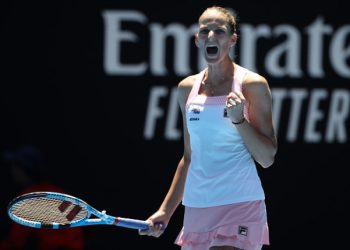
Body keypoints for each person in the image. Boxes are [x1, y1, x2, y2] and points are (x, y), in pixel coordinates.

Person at [139, 6, 277, 250]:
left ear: (232, 39)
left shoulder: (252, 84)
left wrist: (239, 120)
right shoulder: (186, 88)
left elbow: (267, 158)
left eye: (219, 31)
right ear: (197, 40)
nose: (211, 37)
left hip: (240, 203)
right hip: (197, 207)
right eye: (205, 31)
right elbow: (190, 157)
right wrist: (165, 211)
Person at [0, 144, 85, 250]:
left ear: (24, 168)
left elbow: (15, 242)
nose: (12, 170)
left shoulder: (27, 198)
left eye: (15, 166)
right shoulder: (59, 193)